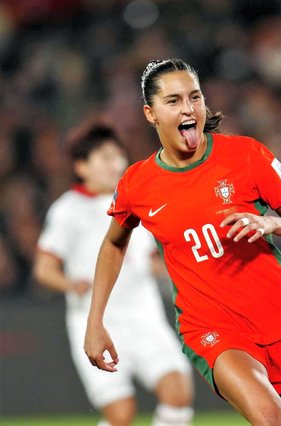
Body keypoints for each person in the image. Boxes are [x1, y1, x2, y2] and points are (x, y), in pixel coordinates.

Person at [83, 59, 281, 426]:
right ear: (150, 114)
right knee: (272, 418)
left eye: (195, 97)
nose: (188, 108)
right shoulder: (138, 184)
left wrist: (268, 222)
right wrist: (95, 321)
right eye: (174, 101)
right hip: (212, 327)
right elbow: (114, 244)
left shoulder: (246, 155)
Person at [34, 124, 194, 426]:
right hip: (96, 321)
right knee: (121, 415)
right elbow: (44, 268)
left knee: (178, 392)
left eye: (119, 156)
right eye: (105, 157)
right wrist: (69, 284)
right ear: (81, 166)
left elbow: (149, 260)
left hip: (145, 318)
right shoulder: (68, 210)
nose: (116, 164)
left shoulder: (139, 202)